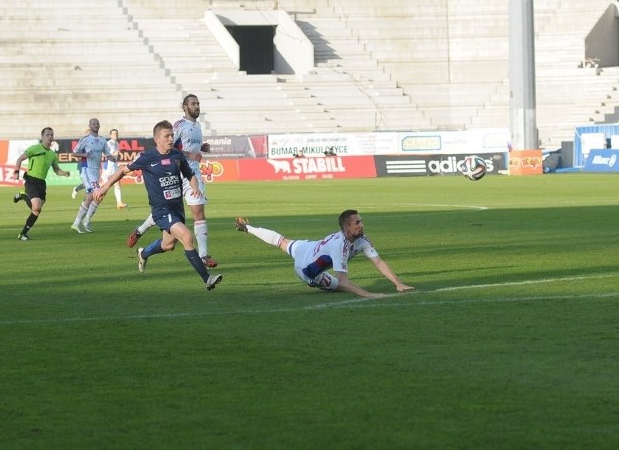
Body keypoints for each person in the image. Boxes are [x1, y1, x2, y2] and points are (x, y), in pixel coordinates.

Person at [94, 120, 222, 291]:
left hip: (177, 208)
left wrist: (195, 188)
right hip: (161, 210)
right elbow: (123, 170)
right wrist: (104, 187)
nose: (170, 138)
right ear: (157, 139)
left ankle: (144, 253)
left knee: (168, 245)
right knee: (186, 236)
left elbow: (190, 175)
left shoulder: (177, 156)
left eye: (171, 135)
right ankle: (207, 279)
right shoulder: (147, 158)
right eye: (166, 136)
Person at [234, 210, 414, 299]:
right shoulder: (339, 246)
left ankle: (247, 227)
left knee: (281, 241)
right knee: (339, 286)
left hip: (308, 247)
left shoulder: (362, 240)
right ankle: (248, 228)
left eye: (361, 221)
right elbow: (344, 280)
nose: (362, 224)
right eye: (357, 222)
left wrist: (398, 283)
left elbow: (378, 262)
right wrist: (371, 295)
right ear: (347, 228)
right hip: (307, 270)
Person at [127, 94, 217, 269]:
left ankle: (204, 255)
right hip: (174, 173)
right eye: (193, 104)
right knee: (165, 211)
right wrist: (190, 154)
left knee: (198, 212)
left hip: (192, 174)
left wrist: (200, 148)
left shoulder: (197, 126)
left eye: (198, 103)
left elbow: (187, 147)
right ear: (185, 107)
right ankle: (140, 230)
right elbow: (170, 149)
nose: (197, 106)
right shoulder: (179, 126)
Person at [12, 127, 71, 240]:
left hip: (41, 183)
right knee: (36, 207)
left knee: (37, 210)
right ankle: (24, 196)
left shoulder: (52, 155)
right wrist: (16, 172)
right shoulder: (35, 149)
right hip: (31, 180)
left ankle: (22, 233)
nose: (50, 137)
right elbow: (19, 159)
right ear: (42, 136)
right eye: (48, 134)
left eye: (52, 135)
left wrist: (63, 173)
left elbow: (56, 169)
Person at [70, 118, 116, 233]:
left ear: (99, 125)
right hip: (87, 170)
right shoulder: (85, 139)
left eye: (97, 123)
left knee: (98, 195)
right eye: (93, 123)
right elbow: (74, 153)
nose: (96, 125)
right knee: (93, 195)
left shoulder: (102, 140)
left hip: (96, 171)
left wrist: (112, 158)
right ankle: (81, 222)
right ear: (89, 126)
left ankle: (84, 221)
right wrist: (84, 154)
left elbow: (107, 153)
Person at [103, 128, 128, 209]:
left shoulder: (116, 143)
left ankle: (119, 203)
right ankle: (93, 194)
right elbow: (104, 154)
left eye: (116, 133)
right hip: (109, 166)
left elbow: (115, 155)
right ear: (110, 135)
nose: (115, 135)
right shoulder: (109, 143)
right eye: (113, 134)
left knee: (116, 183)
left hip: (114, 165)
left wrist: (117, 155)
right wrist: (114, 153)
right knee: (105, 184)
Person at [71, 127, 90, 200]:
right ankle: (77, 190)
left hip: (91, 166)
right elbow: (75, 153)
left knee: (89, 184)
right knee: (87, 184)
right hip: (83, 165)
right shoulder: (82, 141)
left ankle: (85, 201)